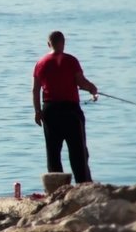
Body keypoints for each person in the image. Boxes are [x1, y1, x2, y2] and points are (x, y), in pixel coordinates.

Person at [32, 31, 98, 183]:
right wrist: (92, 88)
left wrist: (37, 111)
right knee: (78, 152)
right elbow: (81, 82)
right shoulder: (71, 61)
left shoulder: (40, 63)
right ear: (63, 43)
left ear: (49, 44)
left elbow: (36, 90)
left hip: (49, 111)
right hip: (70, 111)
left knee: (53, 152)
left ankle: (57, 187)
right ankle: (83, 184)